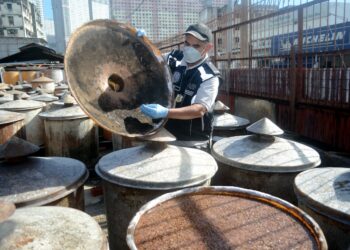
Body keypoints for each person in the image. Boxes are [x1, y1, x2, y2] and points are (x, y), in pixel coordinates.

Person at [140, 23, 221, 149]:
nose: (189, 49)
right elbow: (153, 57)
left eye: (196, 46)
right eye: (187, 44)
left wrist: (165, 112)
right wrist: (144, 43)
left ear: (208, 47)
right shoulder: (174, 58)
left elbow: (199, 109)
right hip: (165, 135)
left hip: (192, 142)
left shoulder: (209, 76)